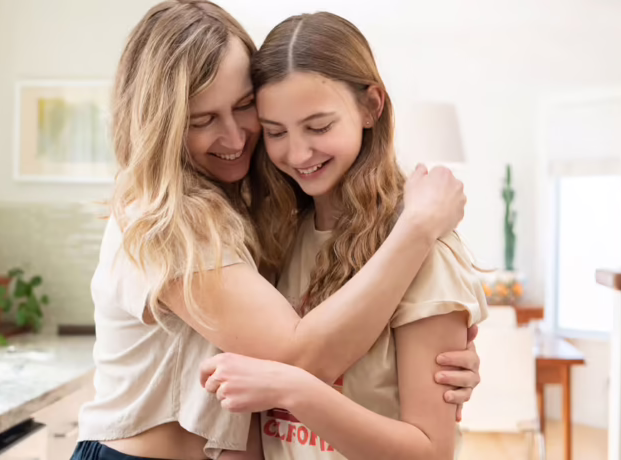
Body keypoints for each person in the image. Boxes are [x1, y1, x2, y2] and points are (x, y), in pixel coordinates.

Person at [74, 2, 482, 460]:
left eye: (244, 107)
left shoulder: (266, 215)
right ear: (162, 126)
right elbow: (298, 359)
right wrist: (418, 229)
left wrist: (425, 355)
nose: (234, 138)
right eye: (202, 120)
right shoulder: (167, 217)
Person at [200, 11, 489, 460]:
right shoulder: (275, 237)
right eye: (276, 132)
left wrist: (295, 387)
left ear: (372, 106)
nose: (297, 153)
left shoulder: (424, 247)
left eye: (319, 127)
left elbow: (430, 453)